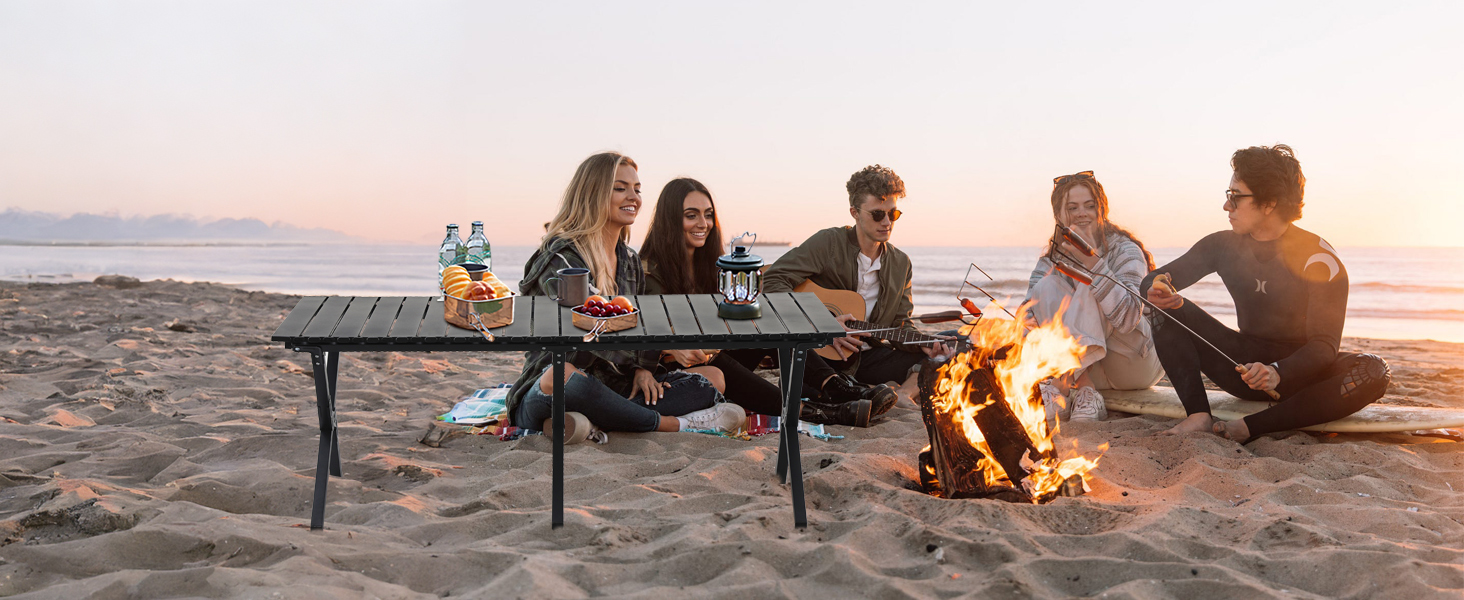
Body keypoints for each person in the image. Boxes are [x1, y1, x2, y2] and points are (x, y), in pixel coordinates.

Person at [1141, 144, 1390, 442]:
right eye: (1227, 195)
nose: (1226, 206)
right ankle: (1198, 416)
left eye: (1236, 197)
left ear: (1269, 203)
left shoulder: (1319, 260)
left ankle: (1251, 427)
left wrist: (1277, 372)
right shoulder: (1221, 245)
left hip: (1300, 375)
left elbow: (1324, 346)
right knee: (1165, 309)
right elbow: (1152, 280)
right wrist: (1161, 290)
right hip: (1239, 366)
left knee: (1374, 371)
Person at [506, 152, 745, 435]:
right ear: (592, 194)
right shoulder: (560, 257)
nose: (633, 197)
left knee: (713, 378)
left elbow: (642, 321)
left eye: (637, 189)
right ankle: (670, 424)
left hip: (614, 384)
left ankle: (593, 420)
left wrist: (643, 369)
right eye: (620, 188)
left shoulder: (630, 261)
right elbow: (590, 327)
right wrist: (666, 346)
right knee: (563, 377)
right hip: (553, 385)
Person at [762, 164, 952, 421]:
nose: (886, 222)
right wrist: (821, 322)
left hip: (868, 358)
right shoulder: (828, 243)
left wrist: (922, 343)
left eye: (893, 214)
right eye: (877, 214)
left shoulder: (901, 263)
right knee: (801, 363)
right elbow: (773, 280)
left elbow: (900, 324)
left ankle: (902, 394)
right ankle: (867, 392)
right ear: (855, 212)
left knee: (949, 343)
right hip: (821, 358)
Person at [640, 177, 787, 418]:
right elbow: (649, 334)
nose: (703, 223)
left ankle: (830, 386)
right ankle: (805, 409)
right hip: (675, 369)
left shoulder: (710, 265)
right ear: (670, 220)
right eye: (691, 215)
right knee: (717, 360)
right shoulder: (649, 271)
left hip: (711, 355)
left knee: (771, 330)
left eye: (708, 215)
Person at [1025, 171, 1164, 422]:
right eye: (1073, 207)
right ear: (1058, 214)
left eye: (1090, 206)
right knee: (1045, 288)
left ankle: (1060, 387)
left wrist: (1094, 264)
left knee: (1090, 284)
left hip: (1133, 362)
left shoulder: (1125, 250)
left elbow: (1129, 318)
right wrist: (1031, 324)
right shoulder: (1050, 259)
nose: (1082, 213)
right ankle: (1087, 390)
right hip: (1089, 367)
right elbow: (1028, 313)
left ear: (1101, 211)